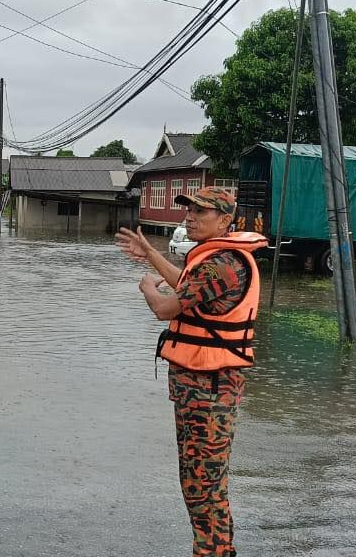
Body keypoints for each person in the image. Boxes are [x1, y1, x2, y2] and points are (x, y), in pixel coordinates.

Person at [115, 187, 267, 557]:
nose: (190, 217)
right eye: (189, 210)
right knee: (201, 482)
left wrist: (147, 286)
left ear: (226, 221)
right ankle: (219, 549)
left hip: (209, 393)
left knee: (203, 486)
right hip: (199, 391)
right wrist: (151, 254)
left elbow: (167, 307)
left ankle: (213, 551)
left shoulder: (222, 265)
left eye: (201, 212)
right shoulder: (214, 262)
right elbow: (186, 282)